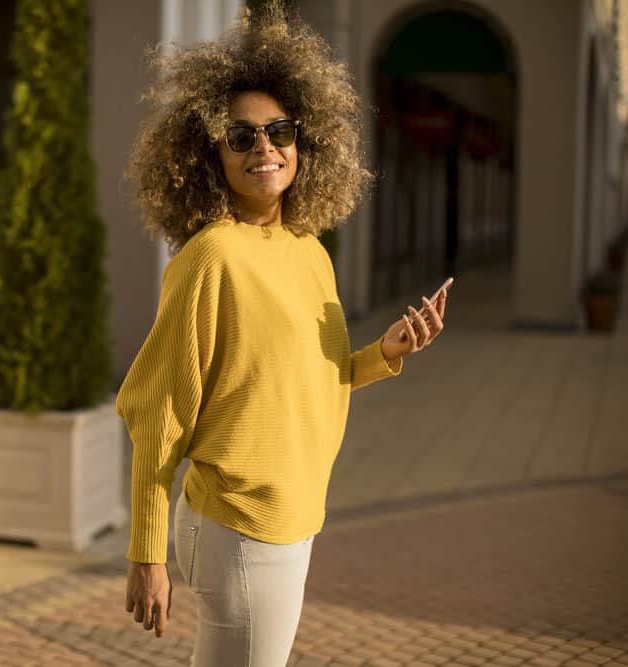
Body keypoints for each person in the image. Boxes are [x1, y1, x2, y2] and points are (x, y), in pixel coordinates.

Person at [115, 4, 449, 666]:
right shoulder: (211, 257)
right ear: (211, 155)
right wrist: (145, 553)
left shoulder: (310, 252)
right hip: (237, 526)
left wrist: (384, 354)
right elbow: (156, 415)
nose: (264, 147)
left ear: (304, 142)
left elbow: (308, 373)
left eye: (279, 130)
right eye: (240, 136)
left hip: (295, 515)